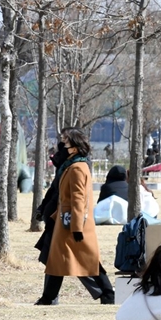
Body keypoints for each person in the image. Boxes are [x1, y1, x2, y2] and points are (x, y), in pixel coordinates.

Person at [42, 128, 115, 304]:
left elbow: (78, 199)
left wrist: (76, 227)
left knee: (88, 261)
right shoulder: (73, 166)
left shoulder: (77, 168)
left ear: (74, 147)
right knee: (59, 260)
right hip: (67, 221)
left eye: (65, 143)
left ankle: (108, 293)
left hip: (72, 222)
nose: (61, 146)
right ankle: (48, 297)